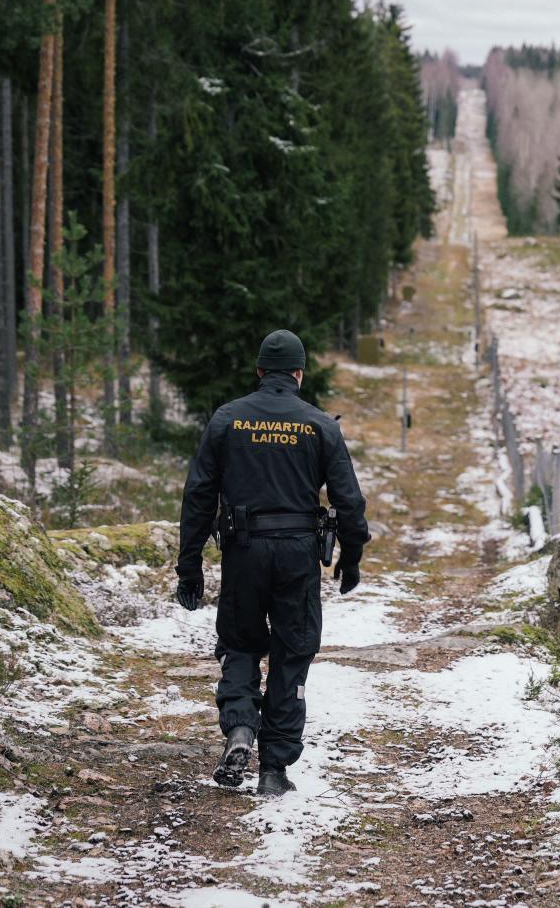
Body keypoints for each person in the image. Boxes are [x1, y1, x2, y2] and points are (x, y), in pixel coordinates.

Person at [174, 329, 368, 796]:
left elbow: (198, 495)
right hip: (299, 555)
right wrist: (352, 556)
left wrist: (190, 565)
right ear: (299, 373)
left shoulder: (227, 419)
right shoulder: (320, 425)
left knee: (240, 644)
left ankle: (240, 726)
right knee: (291, 653)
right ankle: (274, 769)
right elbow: (349, 502)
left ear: (260, 371)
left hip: (243, 551)